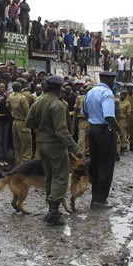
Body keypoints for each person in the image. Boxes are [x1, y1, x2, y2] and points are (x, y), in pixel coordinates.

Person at [26, 75, 81, 225]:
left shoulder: (38, 102)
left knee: (50, 176)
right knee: (61, 177)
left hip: (41, 144)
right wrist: (74, 146)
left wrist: (42, 128)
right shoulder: (58, 104)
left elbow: (29, 122)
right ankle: (53, 212)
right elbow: (61, 131)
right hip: (55, 146)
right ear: (58, 88)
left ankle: (52, 208)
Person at [83, 71, 123, 209]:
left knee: (96, 164)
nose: (114, 83)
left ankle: (95, 198)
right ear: (108, 80)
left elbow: (85, 112)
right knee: (106, 166)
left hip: (92, 129)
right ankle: (100, 201)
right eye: (113, 80)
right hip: (104, 131)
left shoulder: (90, 92)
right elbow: (109, 117)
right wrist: (120, 129)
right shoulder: (107, 94)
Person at [8, 81, 32, 165]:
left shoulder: (10, 96)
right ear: (20, 88)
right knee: (26, 146)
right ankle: (25, 166)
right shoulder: (22, 98)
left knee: (17, 147)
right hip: (23, 122)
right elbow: (27, 112)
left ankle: (18, 165)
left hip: (15, 122)